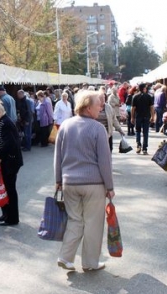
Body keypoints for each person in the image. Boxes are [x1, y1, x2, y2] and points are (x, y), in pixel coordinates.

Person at [54, 90, 114, 272]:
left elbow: (58, 155)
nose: (101, 107)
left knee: (75, 220)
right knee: (93, 223)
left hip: (69, 183)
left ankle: (65, 257)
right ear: (88, 107)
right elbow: (105, 160)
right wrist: (109, 186)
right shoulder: (98, 128)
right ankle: (90, 262)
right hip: (93, 184)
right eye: (98, 104)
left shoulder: (65, 125)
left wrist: (58, 179)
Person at [0, 101, 23, 226]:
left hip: (10, 161)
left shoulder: (6, 123)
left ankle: (12, 218)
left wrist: (0, 156)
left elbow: (11, 143)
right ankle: (6, 214)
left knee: (9, 189)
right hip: (2, 161)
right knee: (2, 187)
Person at [131, 83, 154, 155]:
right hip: (146, 116)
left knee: (138, 131)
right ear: (144, 88)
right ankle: (145, 148)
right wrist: (152, 116)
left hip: (138, 116)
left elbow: (133, 108)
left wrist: (132, 117)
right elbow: (152, 107)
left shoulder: (135, 96)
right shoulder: (149, 96)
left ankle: (138, 145)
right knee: (145, 132)